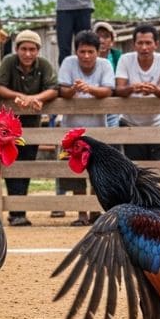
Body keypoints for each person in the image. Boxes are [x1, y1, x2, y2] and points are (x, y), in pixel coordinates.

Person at [0, 29, 59, 226]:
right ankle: (15, 211)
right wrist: (17, 97)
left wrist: (35, 98)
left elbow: (54, 88)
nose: (28, 54)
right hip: (8, 124)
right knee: (10, 164)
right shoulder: (9, 62)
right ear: (17, 49)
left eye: (32, 49)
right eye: (24, 49)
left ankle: (19, 210)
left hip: (32, 124)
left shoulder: (44, 65)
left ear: (37, 50)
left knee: (27, 163)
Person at [59, 29, 114, 226]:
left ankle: (95, 210)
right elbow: (62, 90)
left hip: (98, 127)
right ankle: (81, 212)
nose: (86, 56)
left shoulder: (105, 65)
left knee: (97, 171)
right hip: (72, 126)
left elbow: (107, 90)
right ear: (77, 52)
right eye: (82, 52)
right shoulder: (68, 63)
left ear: (97, 52)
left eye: (90, 51)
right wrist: (74, 89)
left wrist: (89, 89)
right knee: (75, 172)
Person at [115, 24, 160, 161]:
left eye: (148, 43)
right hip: (129, 123)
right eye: (140, 43)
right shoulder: (125, 59)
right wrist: (132, 88)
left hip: (157, 123)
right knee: (135, 170)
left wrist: (155, 89)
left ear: (156, 44)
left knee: (159, 170)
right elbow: (119, 89)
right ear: (134, 45)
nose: (144, 47)